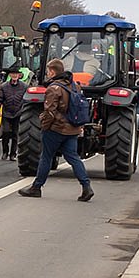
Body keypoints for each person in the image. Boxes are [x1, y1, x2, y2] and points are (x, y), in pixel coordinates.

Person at [19, 59, 92, 201]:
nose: (47, 73)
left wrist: (45, 127)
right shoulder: (75, 86)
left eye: (48, 71)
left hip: (56, 129)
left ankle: (36, 187)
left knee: (46, 157)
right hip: (72, 129)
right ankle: (86, 187)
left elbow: (50, 112)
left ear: (52, 71)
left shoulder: (53, 88)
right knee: (74, 158)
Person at [0, 71, 29, 160]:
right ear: (10, 75)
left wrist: (25, 111)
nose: (14, 76)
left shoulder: (24, 86)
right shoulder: (4, 86)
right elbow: (0, 99)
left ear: (19, 75)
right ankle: (5, 152)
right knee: (6, 132)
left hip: (18, 113)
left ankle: (13, 154)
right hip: (7, 113)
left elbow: (27, 100)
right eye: (13, 74)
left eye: (16, 74)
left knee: (15, 134)